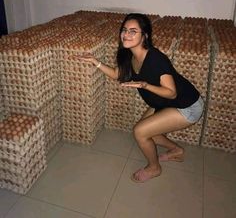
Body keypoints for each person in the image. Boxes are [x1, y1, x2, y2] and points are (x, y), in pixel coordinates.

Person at [78, 13, 204, 183]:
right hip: (165, 103)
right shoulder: (129, 55)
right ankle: (176, 151)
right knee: (146, 131)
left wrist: (145, 85)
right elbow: (117, 74)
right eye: (124, 30)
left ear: (144, 35)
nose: (126, 34)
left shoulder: (155, 59)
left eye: (132, 31)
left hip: (187, 105)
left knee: (140, 132)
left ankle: (154, 168)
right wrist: (95, 62)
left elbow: (171, 92)